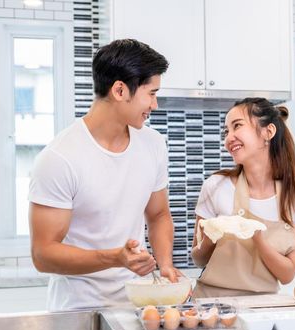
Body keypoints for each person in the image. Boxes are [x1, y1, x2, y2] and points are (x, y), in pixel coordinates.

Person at [29, 39, 182, 311]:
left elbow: (158, 214)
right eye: (151, 93)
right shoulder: (59, 158)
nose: (155, 105)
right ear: (120, 90)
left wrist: (166, 264)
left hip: (139, 304)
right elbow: (43, 255)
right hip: (80, 310)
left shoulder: (154, 144)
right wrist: (115, 258)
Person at [191, 97, 295, 298]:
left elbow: (287, 274)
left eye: (237, 126)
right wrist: (211, 236)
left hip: (263, 308)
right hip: (211, 303)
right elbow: (198, 259)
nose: (228, 138)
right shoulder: (215, 186)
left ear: (268, 132)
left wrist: (255, 236)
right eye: (226, 131)